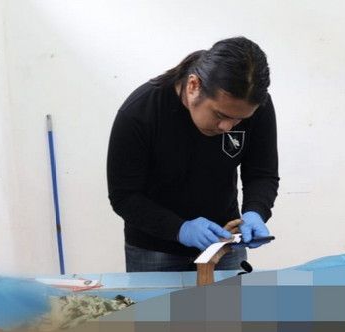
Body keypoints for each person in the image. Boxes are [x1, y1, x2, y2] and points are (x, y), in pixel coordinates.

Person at [107, 36, 279, 272]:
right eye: (220, 115)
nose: (227, 127)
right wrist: (180, 229)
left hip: (224, 242)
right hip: (154, 248)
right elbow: (124, 196)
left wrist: (255, 211)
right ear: (193, 86)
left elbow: (262, 174)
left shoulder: (255, 107)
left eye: (239, 119)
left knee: (228, 298)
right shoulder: (140, 112)